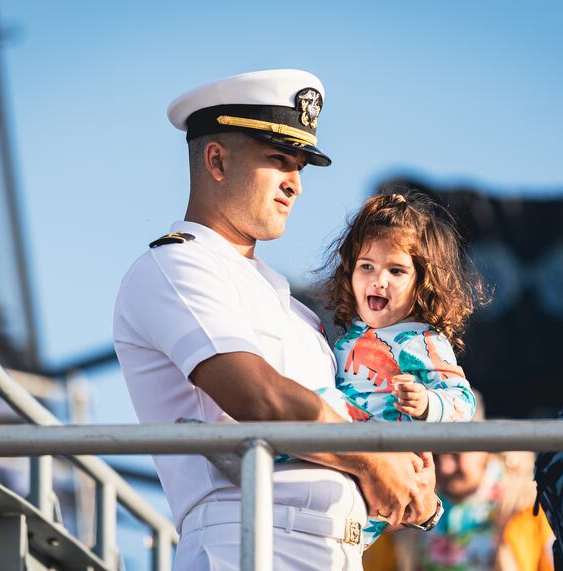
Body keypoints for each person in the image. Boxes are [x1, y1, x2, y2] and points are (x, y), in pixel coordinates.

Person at [112, 69, 440, 571]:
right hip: (249, 542)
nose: (297, 185)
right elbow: (258, 396)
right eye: (279, 161)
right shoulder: (176, 266)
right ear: (217, 160)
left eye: (302, 167)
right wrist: (372, 460)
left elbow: (343, 414)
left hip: (338, 550)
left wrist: (407, 464)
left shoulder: (294, 309)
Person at [314, 191, 478, 548]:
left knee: (310, 406)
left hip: (387, 464)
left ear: (422, 282)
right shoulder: (347, 338)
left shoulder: (424, 340)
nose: (379, 280)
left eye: (397, 270)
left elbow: (464, 401)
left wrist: (426, 403)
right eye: (366, 266)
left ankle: (240, 444)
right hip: (343, 463)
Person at [394, 394, 555, 571]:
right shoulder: (406, 505)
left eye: (455, 454)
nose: (445, 468)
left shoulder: (527, 506)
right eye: (435, 455)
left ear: (482, 445)